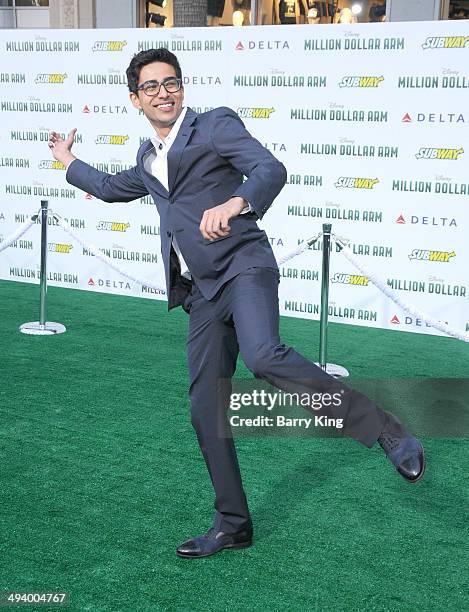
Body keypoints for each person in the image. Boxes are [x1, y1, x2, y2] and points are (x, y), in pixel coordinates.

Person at [48, 48, 425, 559]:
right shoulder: (145, 158)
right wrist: (67, 161)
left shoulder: (215, 125)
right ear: (135, 98)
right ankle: (233, 523)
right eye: (152, 86)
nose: (164, 92)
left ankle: (384, 428)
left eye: (172, 82)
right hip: (201, 292)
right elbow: (111, 189)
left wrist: (235, 201)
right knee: (205, 408)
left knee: (264, 355)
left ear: (182, 88)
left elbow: (269, 168)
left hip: (244, 266)